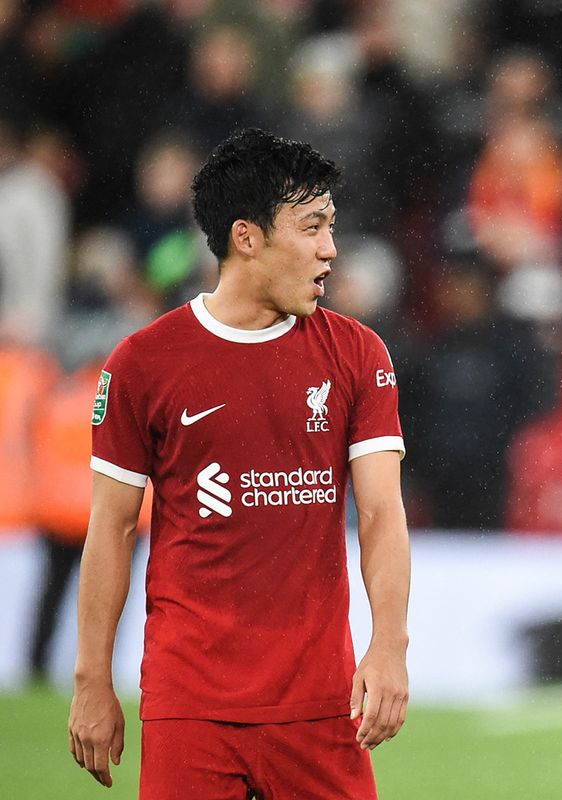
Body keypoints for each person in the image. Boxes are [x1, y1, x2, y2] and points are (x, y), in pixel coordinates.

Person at [68, 129, 411, 797]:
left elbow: (379, 513)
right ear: (247, 238)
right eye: (312, 227)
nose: (330, 249)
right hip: (189, 702)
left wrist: (389, 646)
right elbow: (109, 529)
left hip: (319, 702)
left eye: (331, 226)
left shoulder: (359, 355)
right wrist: (91, 680)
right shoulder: (142, 364)